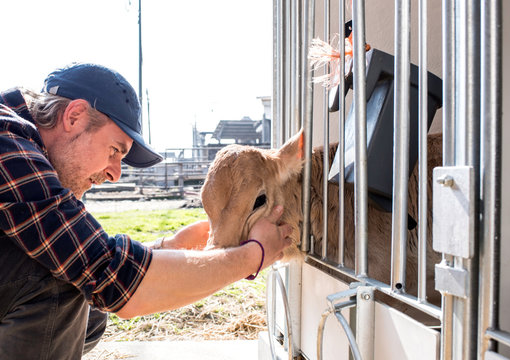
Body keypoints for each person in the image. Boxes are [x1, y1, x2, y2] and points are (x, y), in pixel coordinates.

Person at [0, 63, 292, 359]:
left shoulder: (23, 146)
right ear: (74, 116)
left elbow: (83, 255)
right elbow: (110, 278)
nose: (115, 173)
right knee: (62, 285)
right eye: (115, 150)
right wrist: (254, 255)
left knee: (88, 312)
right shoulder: (7, 145)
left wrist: (169, 247)